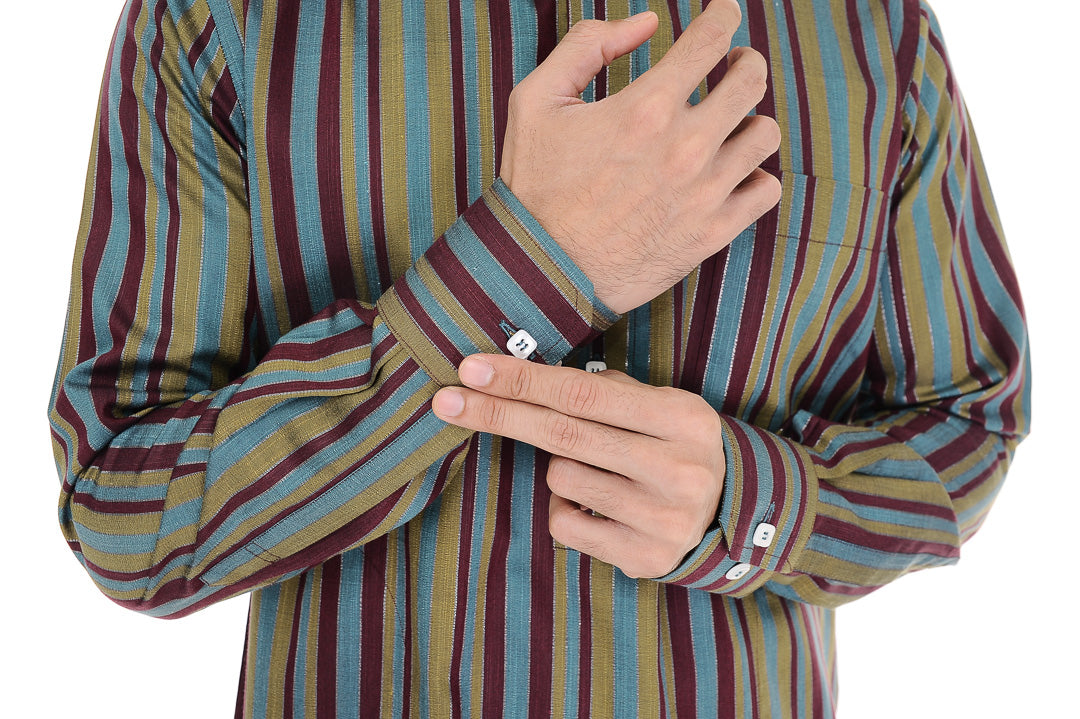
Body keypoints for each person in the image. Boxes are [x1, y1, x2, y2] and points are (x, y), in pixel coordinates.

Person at [48, 0, 1029, 716]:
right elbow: (123, 509)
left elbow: (970, 414)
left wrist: (751, 499)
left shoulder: (867, 30)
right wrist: (527, 271)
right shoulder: (227, 20)